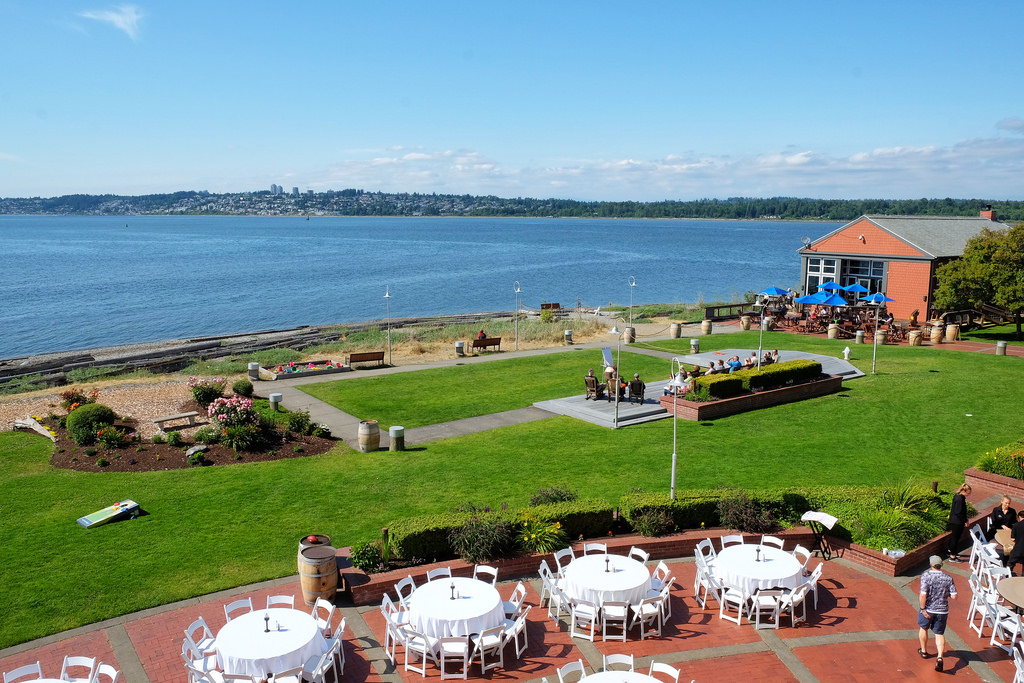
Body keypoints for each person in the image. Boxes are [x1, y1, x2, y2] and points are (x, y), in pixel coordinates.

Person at [918, 555, 957, 671]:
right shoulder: (948, 578)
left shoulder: (926, 576)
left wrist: (922, 608)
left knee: (923, 628)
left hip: (929, 609)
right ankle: (940, 657)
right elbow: (954, 596)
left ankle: (924, 651)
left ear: (931, 564)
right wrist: (945, 593)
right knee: (939, 633)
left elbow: (923, 594)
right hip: (942, 611)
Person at [946, 483, 971, 562]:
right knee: (955, 538)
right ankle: (952, 556)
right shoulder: (960, 499)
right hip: (957, 522)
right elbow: (959, 512)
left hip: (954, 520)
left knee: (953, 537)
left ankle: (950, 551)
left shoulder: (958, 496)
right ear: (964, 490)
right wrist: (965, 520)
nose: (969, 494)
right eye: (968, 492)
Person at [1008, 510, 1024, 574]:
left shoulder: (1016, 525)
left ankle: (1007, 576)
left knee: (1010, 563)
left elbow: (1013, 539)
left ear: (1019, 517)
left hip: (1018, 550)